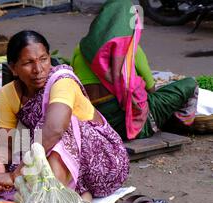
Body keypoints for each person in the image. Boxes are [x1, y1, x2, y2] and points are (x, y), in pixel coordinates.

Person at [0, 30, 130, 203]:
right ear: (13, 69)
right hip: (56, 153)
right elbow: (5, 142)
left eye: (43, 59)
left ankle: (56, 199)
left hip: (103, 162)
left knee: (59, 124)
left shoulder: (62, 81)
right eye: (28, 63)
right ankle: (75, 193)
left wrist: (16, 175)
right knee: (22, 161)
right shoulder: (8, 94)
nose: (38, 69)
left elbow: (54, 130)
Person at [71, 0, 198, 141]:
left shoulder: (80, 48)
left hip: (96, 123)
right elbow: (151, 89)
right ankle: (179, 126)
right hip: (129, 126)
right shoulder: (132, 50)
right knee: (191, 84)